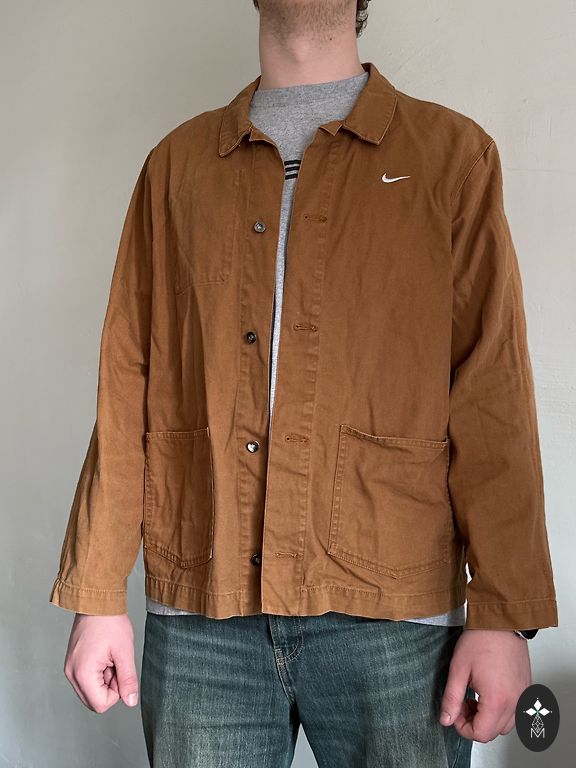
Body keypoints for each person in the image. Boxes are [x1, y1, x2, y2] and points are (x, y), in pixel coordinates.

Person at [50, 1, 558, 766]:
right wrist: (95, 592)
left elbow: (492, 390)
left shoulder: (452, 157)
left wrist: (505, 614)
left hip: (395, 615)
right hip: (203, 608)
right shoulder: (175, 167)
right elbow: (128, 385)